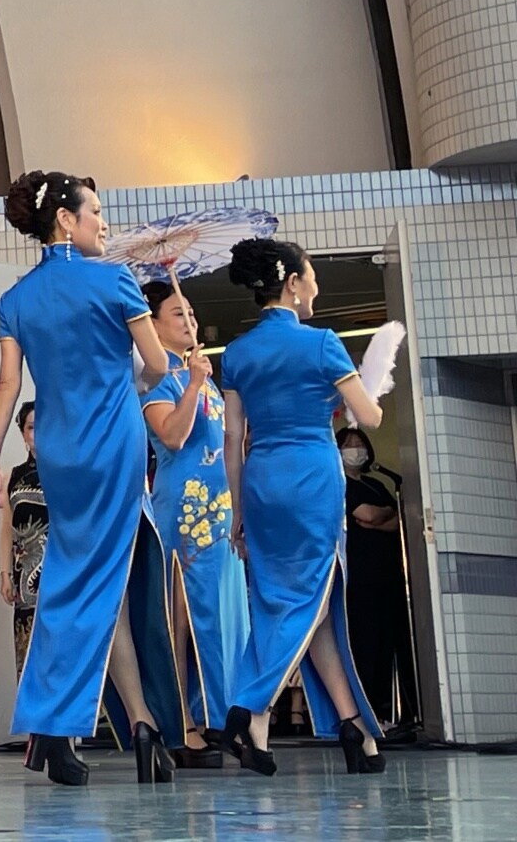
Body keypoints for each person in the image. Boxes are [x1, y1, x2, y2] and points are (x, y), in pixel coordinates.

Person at [0, 171, 184, 787]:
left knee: (88, 581)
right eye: (95, 211)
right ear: (65, 220)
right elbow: (156, 364)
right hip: (115, 444)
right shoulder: (115, 279)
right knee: (92, 585)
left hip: (61, 453)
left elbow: (7, 385)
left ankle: (136, 723)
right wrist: (142, 374)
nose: (104, 223)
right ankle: (59, 722)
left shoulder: (15, 299)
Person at [220, 237, 386, 776]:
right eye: (312, 277)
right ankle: (249, 708)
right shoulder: (322, 344)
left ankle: (352, 728)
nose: (316, 287)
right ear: (292, 282)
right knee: (307, 598)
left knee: (297, 604)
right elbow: (370, 417)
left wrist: (238, 510)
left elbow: (232, 438)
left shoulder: (237, 353)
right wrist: (361, 389)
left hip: (261, 482)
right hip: (312, 478)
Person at [140, 280, 245, 769]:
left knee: (223, 617)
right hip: (183, 511)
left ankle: (216, 716)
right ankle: (179, 723)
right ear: (153, 324)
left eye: (192, 313)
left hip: (220, 512)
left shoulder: (200, 372)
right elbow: (173, 437)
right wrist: (195, 385)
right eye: (178, 313)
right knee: (181, 618)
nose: (190, 321)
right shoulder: (155, 379)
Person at [338, 427, 418, 729]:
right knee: (365, 643)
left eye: (360, 443)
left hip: (389, 573)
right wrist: (380, 517)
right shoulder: (340, 484)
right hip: (360, 576)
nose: (355, 449)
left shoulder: (376, 484)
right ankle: (365, 711)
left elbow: (396, 520)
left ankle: (388, 712)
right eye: (349, 444)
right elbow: (366, 516)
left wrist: (378, 518)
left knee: (389, 642)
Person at [0, 402, 47, 678]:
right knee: (29, 660)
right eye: (31, 427)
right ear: (23, 433)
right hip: (25, 579)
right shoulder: (13, 477)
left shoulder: (67, 471)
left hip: (61, 573)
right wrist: (4, 574)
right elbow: (8, 529)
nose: (37, 432)